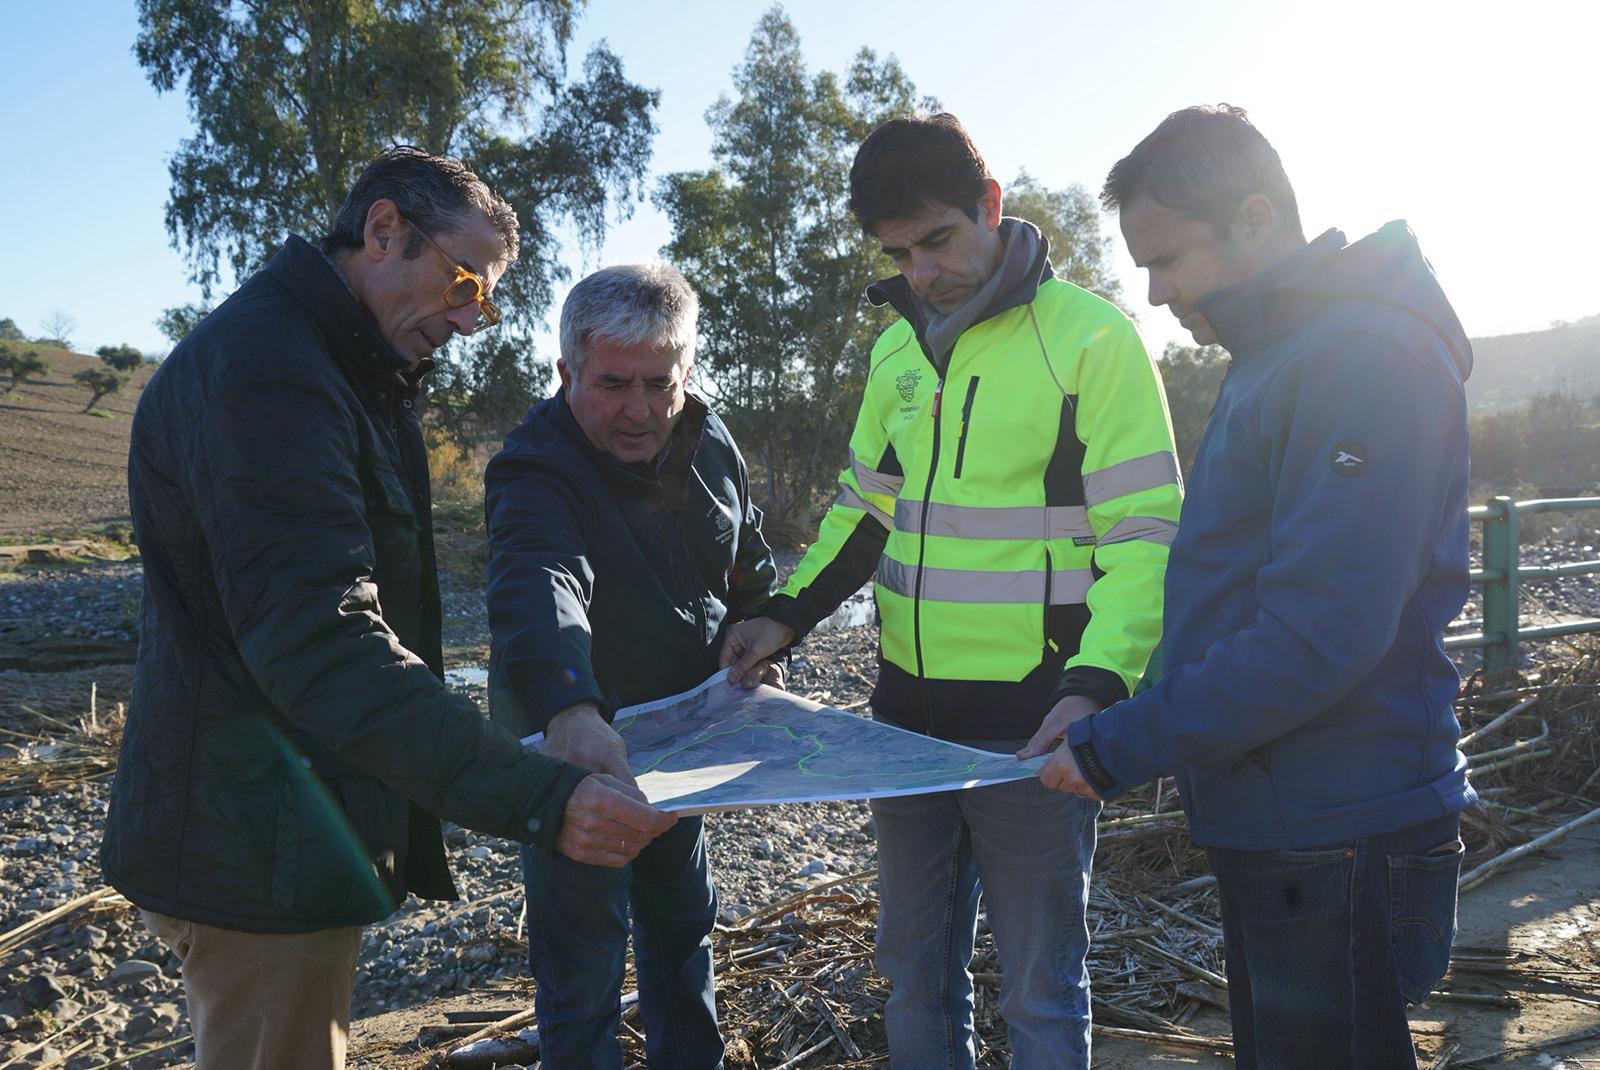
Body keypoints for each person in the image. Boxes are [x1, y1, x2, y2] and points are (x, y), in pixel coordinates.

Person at [102, 146, 674, 1070]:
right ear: (382, 231)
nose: (471, 317)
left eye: (485, 297)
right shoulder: (271, 376)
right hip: (252, 844)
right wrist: (540, 800)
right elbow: (323, 641)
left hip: (287, 825)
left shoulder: (336, 364)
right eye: (461, 282)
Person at [720, 113, 1182, 1069]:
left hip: (1035, 731)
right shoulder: (896, 354)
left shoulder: (1092, 340)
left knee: (1042, 988)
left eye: (937, 239)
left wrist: (1094, 689)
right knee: (914, 973)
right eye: (898, 252)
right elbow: (863, 511)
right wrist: (783, 614)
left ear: (991, 206)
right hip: (902, 727)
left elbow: (1147, 537)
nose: (920, 272)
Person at [1039, 104, 1475, 1069]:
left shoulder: (1362, 358)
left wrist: (1121, 745)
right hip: (1291, 808)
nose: (1155, 295)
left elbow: (1322, 629)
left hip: (1339, 819)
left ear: (1254, 218)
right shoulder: (1284, 354)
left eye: (1169, 261)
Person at [484, 261, 779, 1069]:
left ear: (685, 370)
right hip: (572, 737)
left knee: (683, 922)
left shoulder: (710, 437)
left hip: (681, 732)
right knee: (582, 952)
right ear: (566, 371)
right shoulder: (535, 467)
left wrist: (758, 625)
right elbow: (539, 582)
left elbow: (745, 555)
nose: (639, 411)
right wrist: (572, 712)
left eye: (661, 382)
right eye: (613, 384)